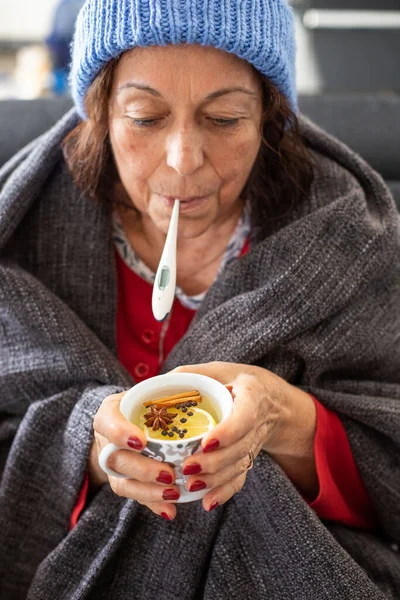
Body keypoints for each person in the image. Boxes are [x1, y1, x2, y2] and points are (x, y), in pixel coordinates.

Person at [0, 0, 399, 598]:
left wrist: (285, 421)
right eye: (144, 116)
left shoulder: (349, 239)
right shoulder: (20, 237)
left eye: (225, 119)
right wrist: (88, 444)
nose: (183, 159)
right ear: (98, 114)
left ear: (269, 118)